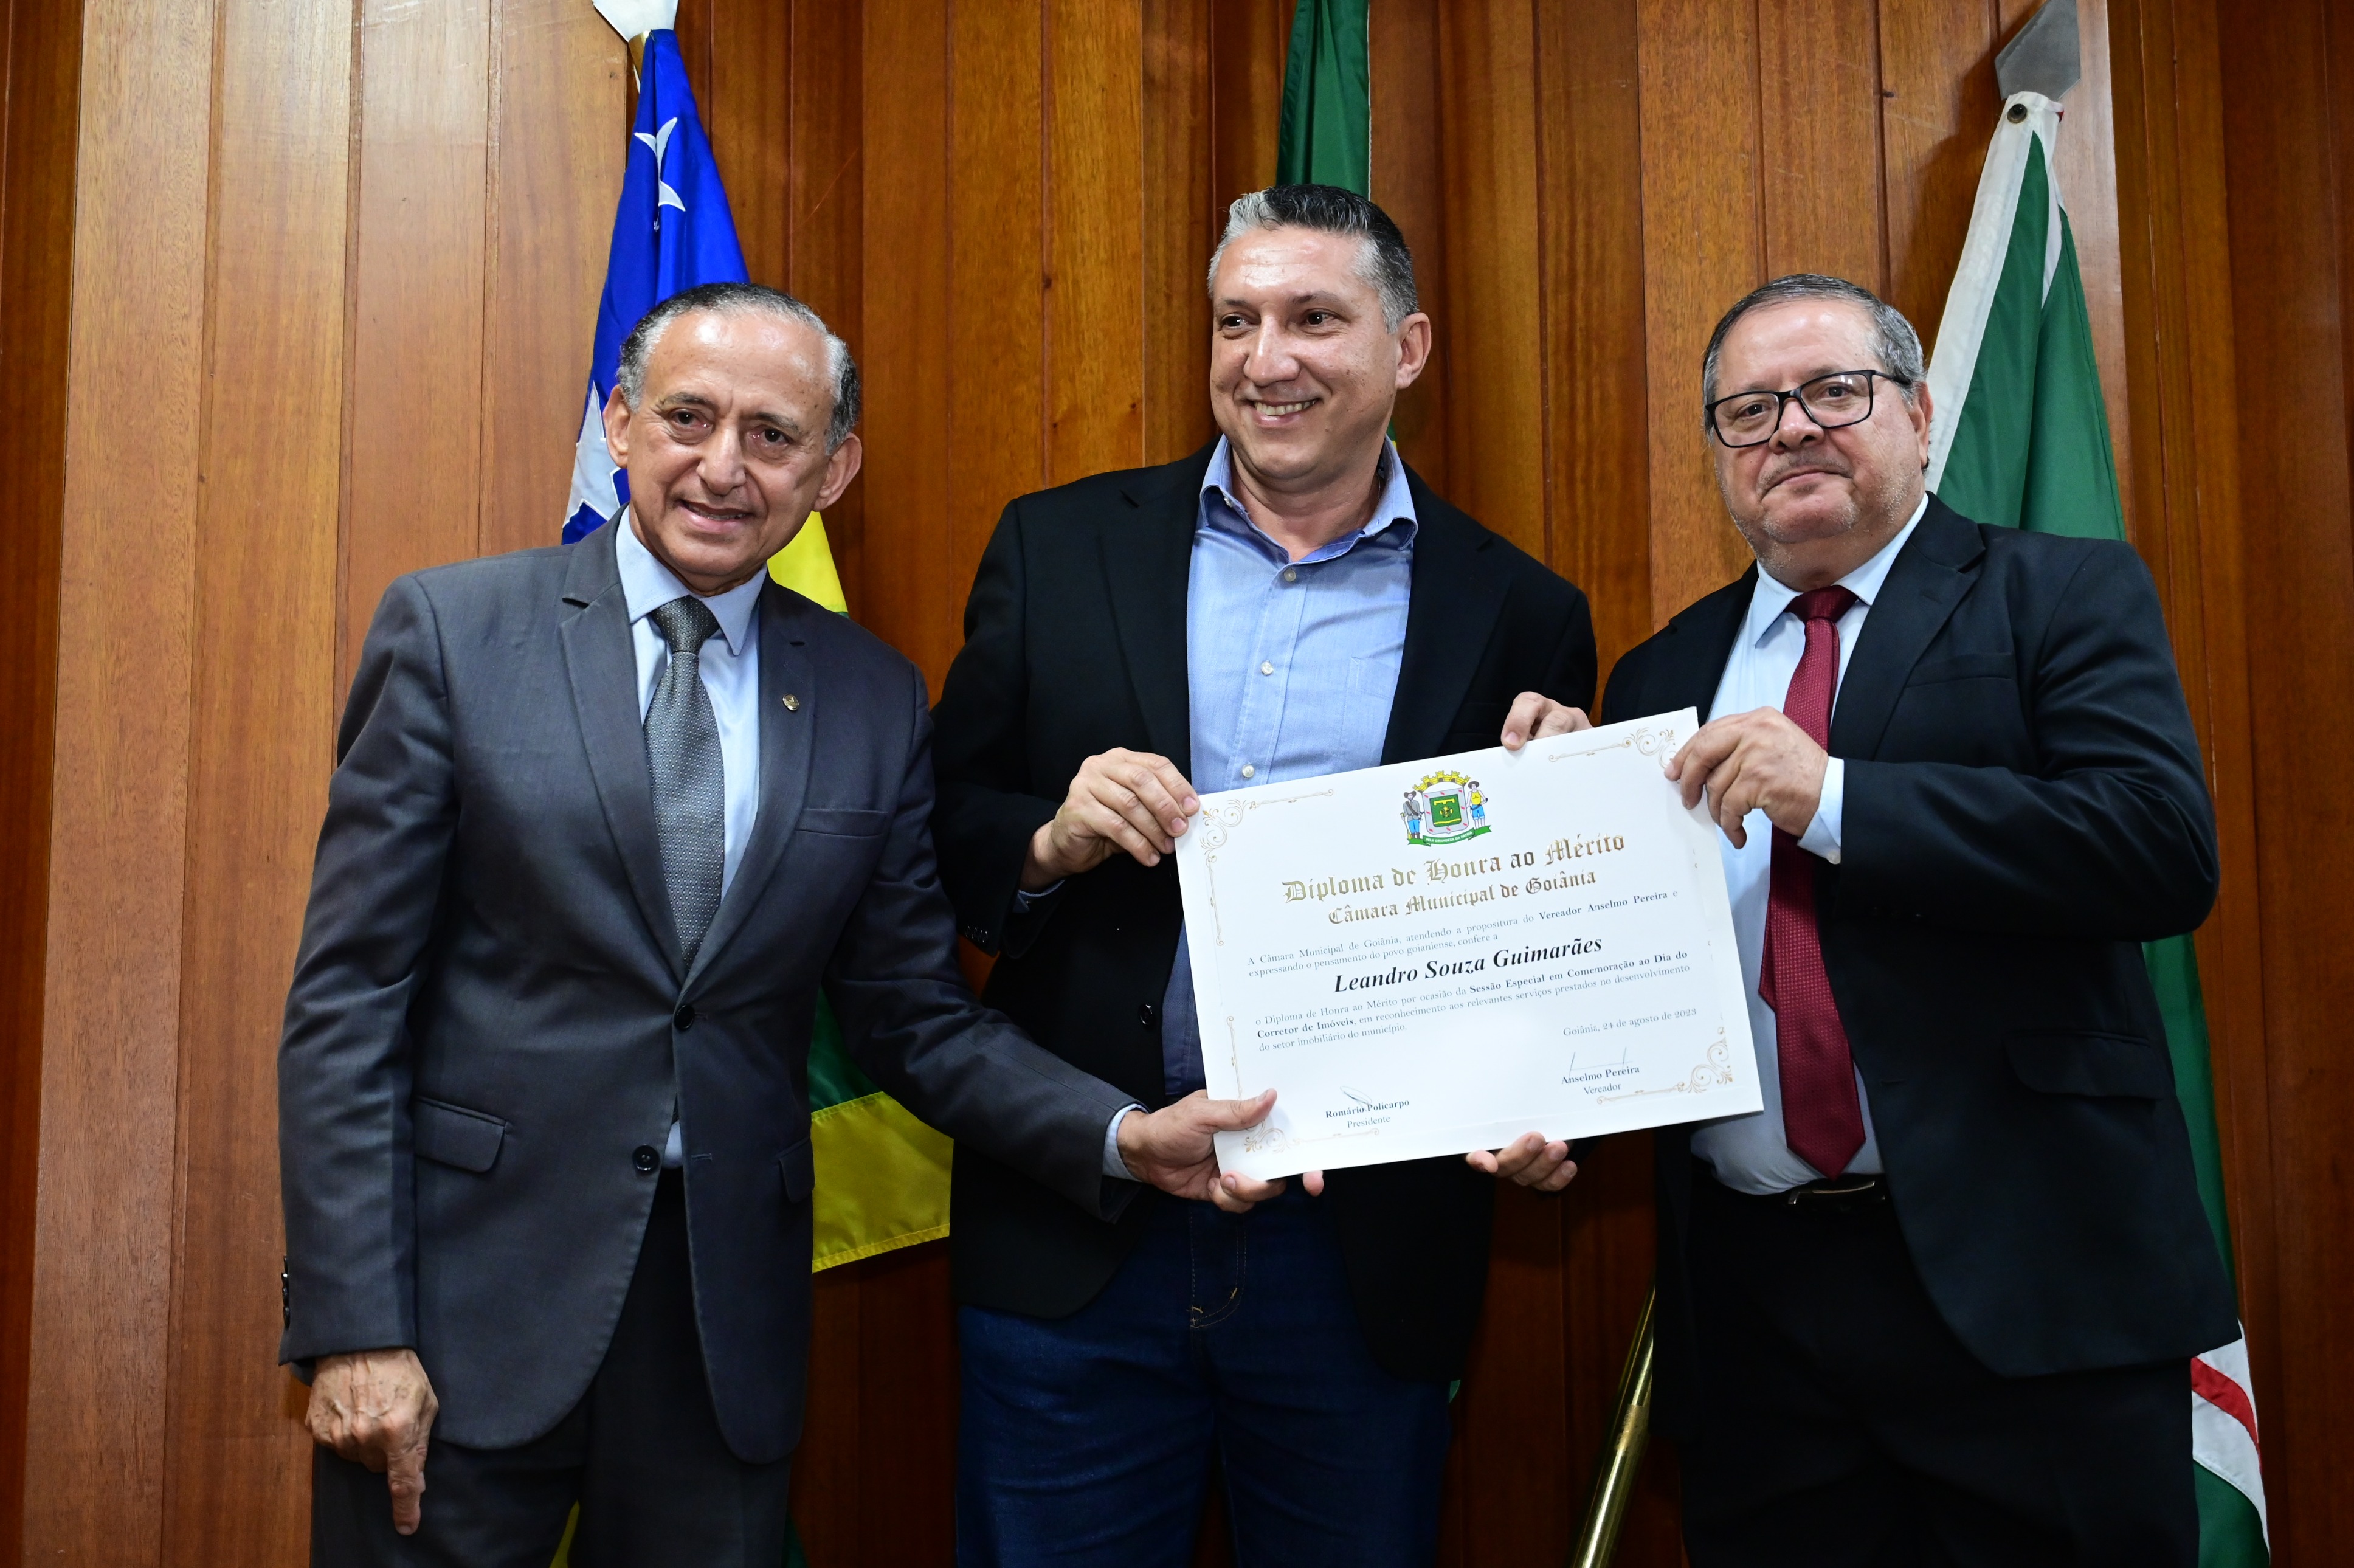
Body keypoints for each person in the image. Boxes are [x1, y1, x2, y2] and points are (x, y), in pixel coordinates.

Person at [278, 281, 1265, 1567]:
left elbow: (910, 1017)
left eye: (773, 435)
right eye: (687, 418)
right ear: (620, 425)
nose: (722, 467)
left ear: (831, 470)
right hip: (462, 1310)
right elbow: (349, 1004)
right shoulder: (455, 634)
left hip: (719, 1330)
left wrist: (1121, 1135)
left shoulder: (870, 695)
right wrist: (356, 1324)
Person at [1511, 273, 2237, 1565]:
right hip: (1755, 1313)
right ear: (1720, 453)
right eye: (1750, 410)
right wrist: (1544, 1085)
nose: (1792, 427)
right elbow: (1638, 972)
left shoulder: (2057, 592)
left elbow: (2157, 849)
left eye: (1833, 392)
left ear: (1920, 413)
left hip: (2028, 1291)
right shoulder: (1660, 673)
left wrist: (1836, 798)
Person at [928, 184, 1594, 1566]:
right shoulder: (1058, 547)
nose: (1264, 359)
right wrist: (1050, 840)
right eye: (1235, 322)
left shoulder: (1520, 609)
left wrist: (1548, 1090)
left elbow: (1530, 928)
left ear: (1408, 348)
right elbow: (936, 829)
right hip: (1082, 1222)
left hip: (1358, 1257)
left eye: (1312, 320)